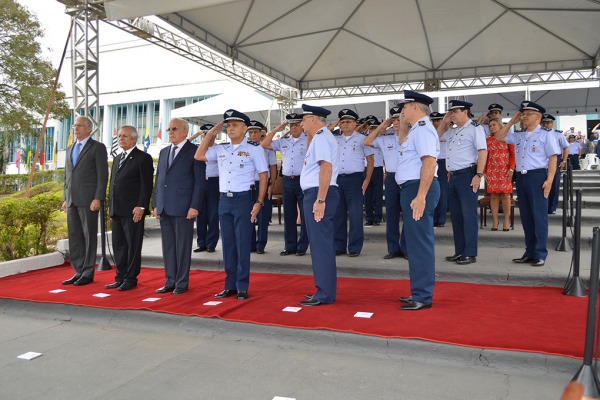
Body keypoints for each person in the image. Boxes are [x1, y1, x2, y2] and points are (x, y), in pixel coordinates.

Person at [195, 110, 268, 300]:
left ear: (245, 128)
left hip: (244, 199)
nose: (230, 128)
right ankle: (230, 285)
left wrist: (259, 202)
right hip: (224, 201)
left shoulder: (254, 148)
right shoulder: (221, 148)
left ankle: (242, 286)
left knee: (242, 243)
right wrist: (211, 134)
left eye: (235, 125)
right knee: (228, 245)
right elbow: (198, 155)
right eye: (228, 125)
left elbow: (263, 175)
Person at [495, 101, 559, 267]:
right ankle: (529, 252)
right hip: (522, 178)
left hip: (537, 176)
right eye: (522, 113)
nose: (523, 116)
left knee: (539, 217)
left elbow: (553, 157)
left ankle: (540, 253)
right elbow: (499, 137)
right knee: (526, 217)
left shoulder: (546, 134)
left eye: (527, 114)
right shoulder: (519, 134)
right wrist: (511, 121)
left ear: (537, 117)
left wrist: (550, 180)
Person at [395, 90, 440, 311]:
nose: (402, 111)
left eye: (404, 107)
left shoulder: (423, 129)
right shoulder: (415, 130)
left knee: (420, 242)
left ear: (415, 107)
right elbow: (407, 150)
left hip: (418, 188)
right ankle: (418, 291)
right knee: (414, 242)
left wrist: (421, 196)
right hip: (412, 188)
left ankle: (423, 295)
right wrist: (403, 127)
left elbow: (429, 163)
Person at [153, 118, 206, 294]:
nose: (170, 132)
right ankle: (170, 281)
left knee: (182, 246)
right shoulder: (164, 151)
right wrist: (156, 203)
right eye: (169, 129)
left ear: (185, 131)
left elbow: (199, 182)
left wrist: (195, 206)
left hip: (184, 207)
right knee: (168, 246)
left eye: (174, 129)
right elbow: (159, 180)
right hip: (165, 206)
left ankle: (181, 283)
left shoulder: (195, 151)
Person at [298, 104, 340, 306]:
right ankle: (323, 289)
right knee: (319, 245)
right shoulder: (319, 137)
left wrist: (320, 199)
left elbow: (326, 167)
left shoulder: (322, 137)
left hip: (319, 193)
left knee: (321, 246)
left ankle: (324, 293)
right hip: (316, 193)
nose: (301, 123)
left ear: (313, 119)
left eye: (304, 119)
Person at [437, 100, 487, 265]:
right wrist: (444, 122)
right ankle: (460, 251)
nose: (452, 115)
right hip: (453, 176)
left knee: (468, 215)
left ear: (465, 111)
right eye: (450, 112)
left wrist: (478, 174)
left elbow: (482, 151)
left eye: (455, 111)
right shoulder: (453, 131)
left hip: (467, 175)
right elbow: (436, 137)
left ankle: (470, 252)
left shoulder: (475, 129)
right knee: (457, 216)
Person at [61, 116, 109, 286]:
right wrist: (65, 198)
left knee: (89, 237)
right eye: (75, 126)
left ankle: (88, 272)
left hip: (89, 200)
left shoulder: (97, 148)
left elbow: (102, 176)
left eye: (80, 126)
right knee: (75, 237)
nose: (76, 128)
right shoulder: (70, 148)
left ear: (89, 129)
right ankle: (78, 270)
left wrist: (98, 198)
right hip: (72, 200)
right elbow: (67, 175)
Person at [106, 126, 154, 291]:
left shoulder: (143, 158)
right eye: (119, 136)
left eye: (125, 136)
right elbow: (113, 184)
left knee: (133, 245)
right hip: (117, 210)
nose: (121, 138)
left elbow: (146, 185)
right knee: (119, 245)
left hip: (133, 211)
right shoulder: (117, 157)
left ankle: (130, 278)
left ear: (134, 139)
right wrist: (110, 205)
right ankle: (120, 276)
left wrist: (141, 205)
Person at [261, 113, 309, 256]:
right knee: (289, 214)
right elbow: (264, 143)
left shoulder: (308, 140)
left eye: (296, 124)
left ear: (301, 125)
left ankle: (302, 246)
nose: (293, 127)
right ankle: (290, 246)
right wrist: (277, 129)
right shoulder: (283, 141)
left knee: (305, 215)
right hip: (288, 181)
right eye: (291, 125)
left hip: (303, 180)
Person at [363, 106, 407, 259]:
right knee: (392, 214)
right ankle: (393, 248)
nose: (396, 122)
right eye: (393, 120)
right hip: (391, 179)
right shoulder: (385, 138)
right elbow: (367, 141)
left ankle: (406, 248)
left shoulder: (412, 136)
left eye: (399, 119)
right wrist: (382, 126)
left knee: (407, 215)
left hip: (408, 179)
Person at [334, 109, 374, 257]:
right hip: (338, 179)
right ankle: (339, 246)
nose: (345, 124)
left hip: (355, 179)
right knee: (338, 214)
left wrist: (367, 179)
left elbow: (370, 160)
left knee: (356, 214)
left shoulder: (362, 138)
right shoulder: (335, 138)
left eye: (348, 121)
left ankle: (355, 247)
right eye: (342, 122)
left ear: (355, 123)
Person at [247, 120, 277, 254]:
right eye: (250, 132)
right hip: (248, 185)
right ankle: (251, 244)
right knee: (249, 215)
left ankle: (261, 244)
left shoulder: (266, 148)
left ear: (260, 134)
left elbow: (273, 167)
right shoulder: (244, 147)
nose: (252, 135)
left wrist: (272, 186)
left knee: (263, 217)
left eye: (255, 132)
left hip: (262, 184)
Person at [483, 118, 515, 231]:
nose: (492, 127)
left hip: (505, 170)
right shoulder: (487, 141)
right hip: (492, 171)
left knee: (506, 195)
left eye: (494, 125)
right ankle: (495, 222)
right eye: (490, 125)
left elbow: (512, 155)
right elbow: (485, 157)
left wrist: (511, 169)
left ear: (500, 126)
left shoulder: (507, 138)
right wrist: (484, 171)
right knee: (494, 196)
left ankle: (506, 221)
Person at [193, 124, 220, 253]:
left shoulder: (220, 149)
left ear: (216, 136)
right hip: (200, 183)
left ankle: (211, 243)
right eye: (206, 134)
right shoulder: (197, 149)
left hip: (215, 182)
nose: (208, 137)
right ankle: (201, 243)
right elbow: (184, 146)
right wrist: (195, 135)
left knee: (213, 214)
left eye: (211, 134)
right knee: (200, 214)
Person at [541, 114, 569, 214]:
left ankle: (552, 207)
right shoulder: (538, 133)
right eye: (543, 122)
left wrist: (563, 161)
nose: (545, 125)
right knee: (541, 185)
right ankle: (543, 207)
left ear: (552, 124)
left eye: (547, 123)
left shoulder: (558, 134)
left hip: (555, 159)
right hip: (542, 160)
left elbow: (565, 147)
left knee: (554, 185)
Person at [363, 115, 385, 227]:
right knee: (367, 195)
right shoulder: (365, 139)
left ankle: (377, 217)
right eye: (371, 128)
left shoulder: (382, 139)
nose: (373, 130)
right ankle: (369, 218)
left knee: (378, 195)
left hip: (378, 169)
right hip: (367, 169)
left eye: (375, 128)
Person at [430, 111, 447, 227]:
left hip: (444, 162)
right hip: (433, 162)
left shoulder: (449, 132)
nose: (436, 123)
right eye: (434, 121)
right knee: (433, 191)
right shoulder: (430, 133)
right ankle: (434, 217)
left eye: (438, 120)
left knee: (443, 192)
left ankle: (441, 218)